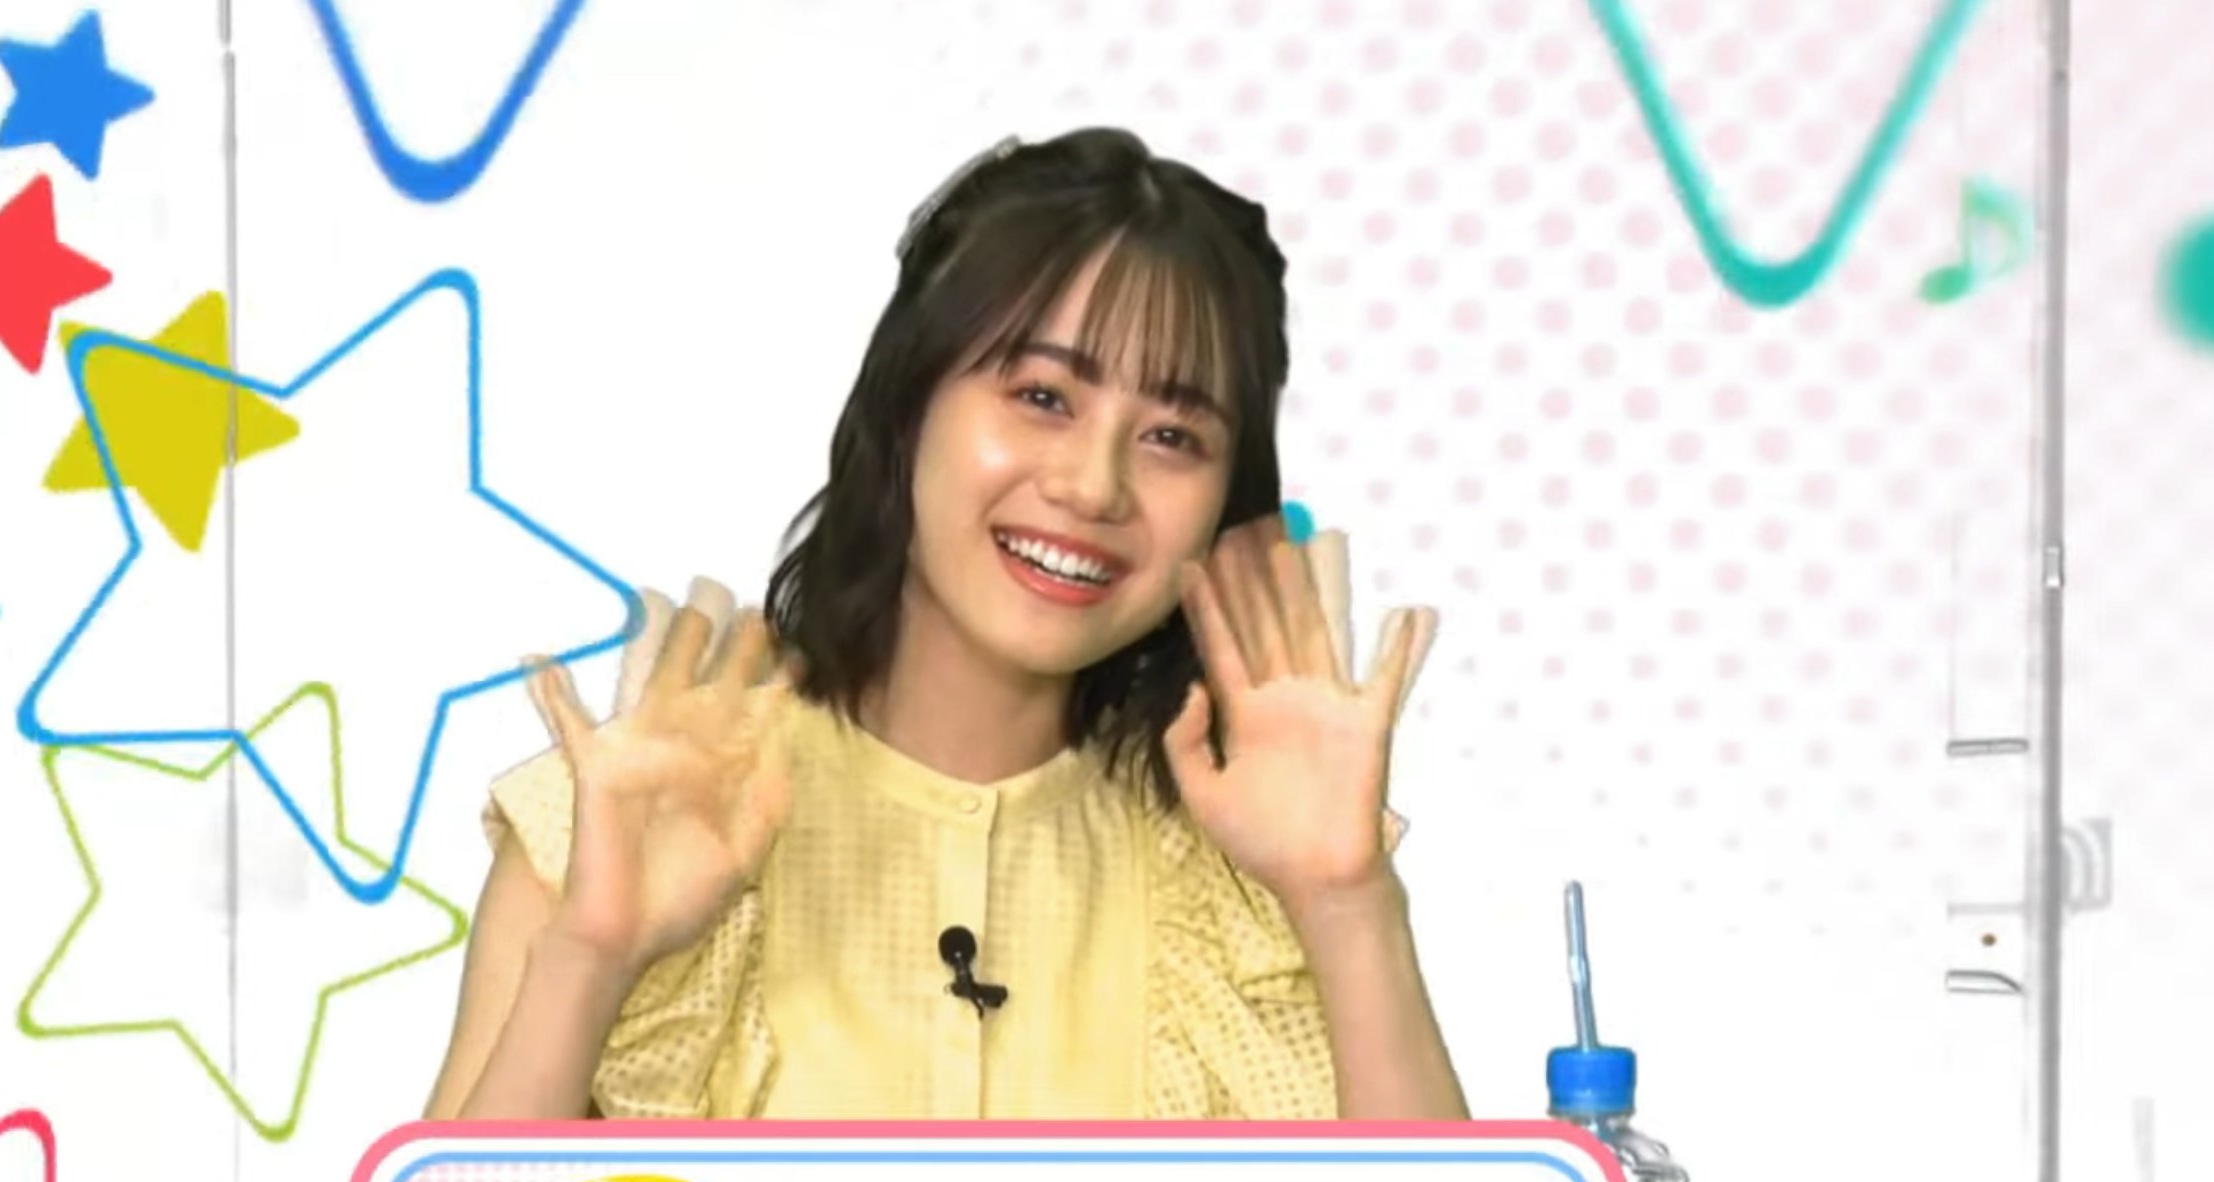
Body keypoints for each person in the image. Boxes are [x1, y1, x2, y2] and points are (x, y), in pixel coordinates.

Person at [425, 127, 1465, 1124]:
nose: (1093, 485)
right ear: (907, 402)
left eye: (1170, 436)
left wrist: (1346, 900)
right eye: (1043, 395)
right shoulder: (633, 810)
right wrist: (594, 952)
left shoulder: (1251, 865)